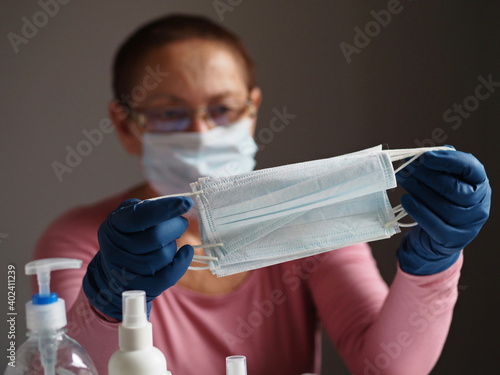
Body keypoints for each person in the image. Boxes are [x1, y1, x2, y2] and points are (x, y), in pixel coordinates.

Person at [34, 14, 491, 375]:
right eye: (170, 113)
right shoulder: (81, 242)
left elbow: (389, 366)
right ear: (125, 125)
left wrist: (435, 264)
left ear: (252, 111)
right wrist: (107, 302)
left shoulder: (309, 217)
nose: (201, 132)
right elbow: (63, 369)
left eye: (223, 109)